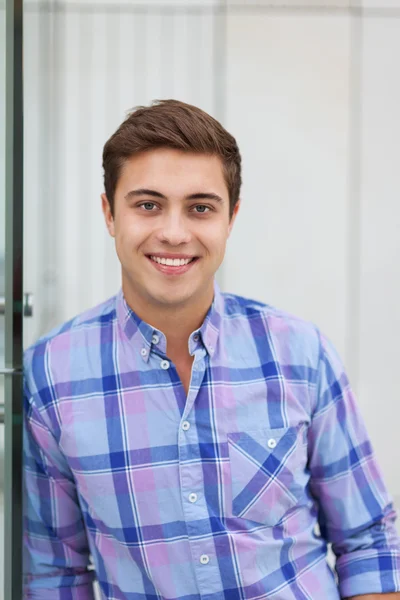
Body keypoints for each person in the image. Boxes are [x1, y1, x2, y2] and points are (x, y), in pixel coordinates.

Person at [23, 99, 400, 600]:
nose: (174, 233)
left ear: (231, 218)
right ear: (109, 214)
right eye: (148, 205)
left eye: (200, 207)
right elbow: (54, 574)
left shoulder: (300, 354)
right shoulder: (50, 374)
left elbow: (369, 543)